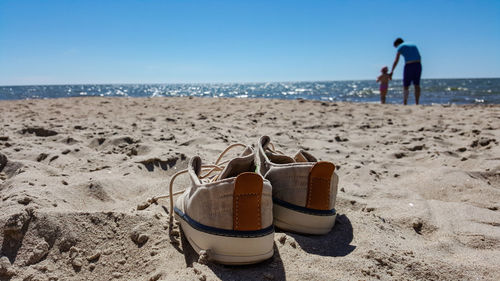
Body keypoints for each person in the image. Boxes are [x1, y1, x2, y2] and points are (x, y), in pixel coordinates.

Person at [390, 38, 422, 105]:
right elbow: (419, 56)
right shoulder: (413, 44)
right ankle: (417, 103)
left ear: (397, 44)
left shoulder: (400, 46)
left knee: (406, 86)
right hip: (418, 64)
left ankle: (405, 103)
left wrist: (392, 71)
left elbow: (396, 60)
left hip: (409, 65)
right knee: (417, 85)